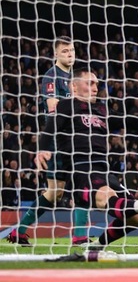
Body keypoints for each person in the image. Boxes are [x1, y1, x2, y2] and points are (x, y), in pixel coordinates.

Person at [35, 67, 138, 250]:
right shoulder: (66, 106)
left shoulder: (101, 108)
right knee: (105, 195)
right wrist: (43, 150)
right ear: (74, 87)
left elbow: (131, 124)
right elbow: (50, 128)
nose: (95, 88)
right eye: (90, 83)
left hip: (104, 170)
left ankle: (96, 246)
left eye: (96, 84)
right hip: (81, 169)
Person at [7, 36, 89, 247]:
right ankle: (22, 230)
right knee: (55, 193)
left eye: (71, 51)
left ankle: (77, 235)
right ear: (55, 54)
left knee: (78, 184)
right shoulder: (51, 76)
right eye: (65, 52)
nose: (70, 55)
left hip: (75, 138)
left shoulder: (75, 77)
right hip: (58, 140)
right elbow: (53, 105)